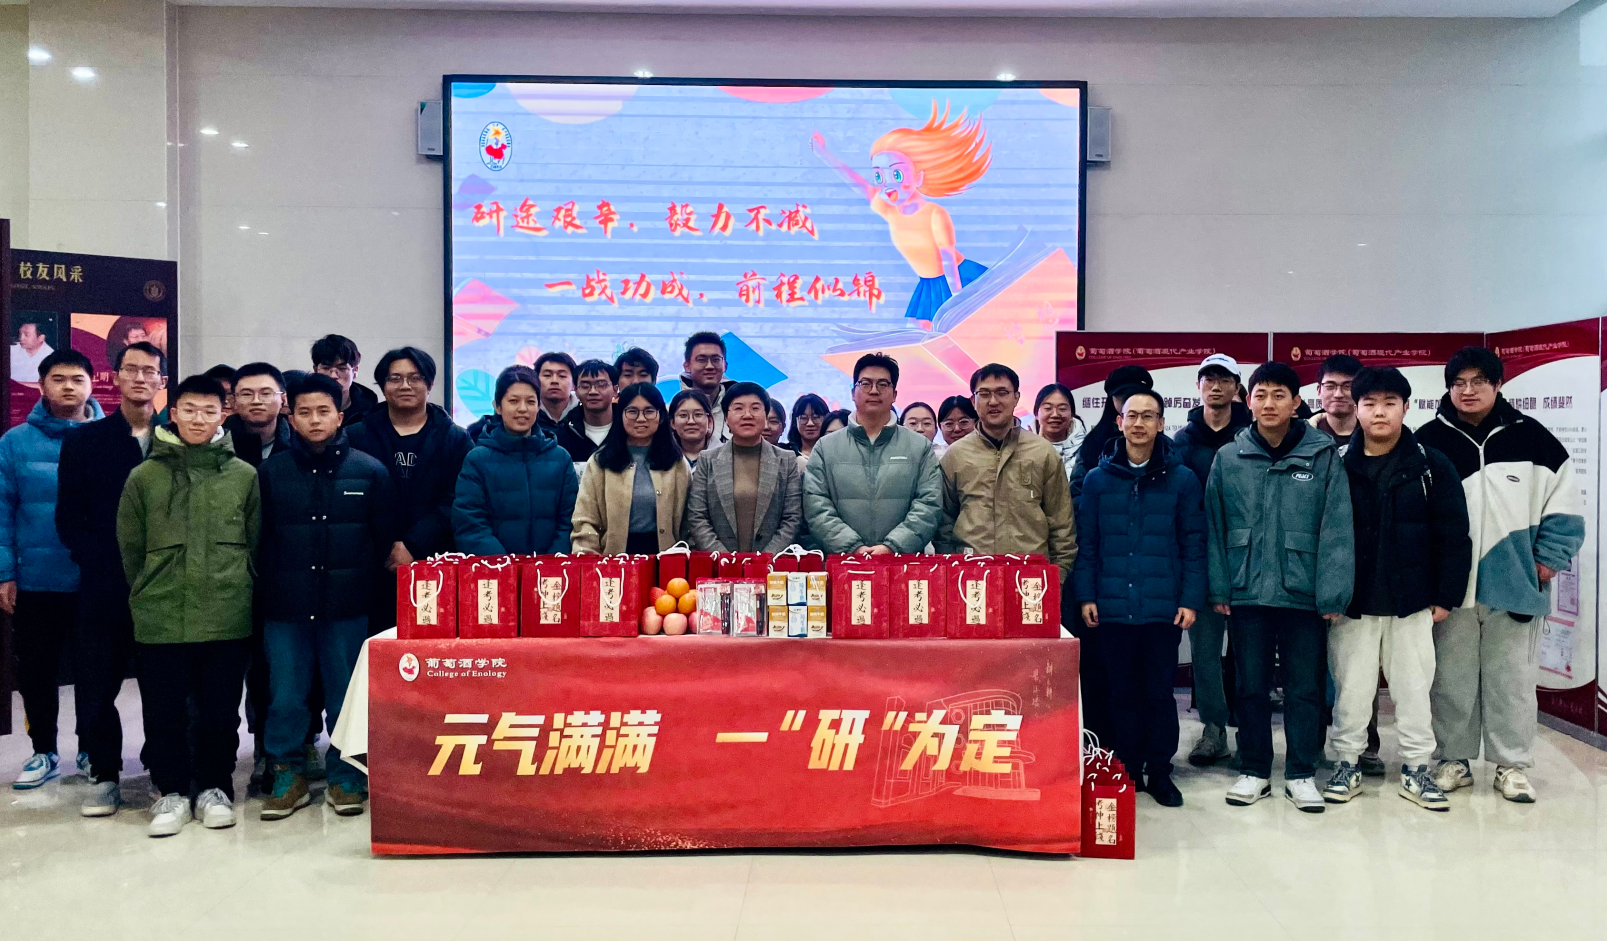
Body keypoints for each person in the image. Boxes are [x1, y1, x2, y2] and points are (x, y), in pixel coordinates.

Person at [1417, 346, 1584, 803]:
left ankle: (1511, 765)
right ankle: (1453, 759)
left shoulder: (1534, 439)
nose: (1467, 391)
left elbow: (1565, 507)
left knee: (1513, 682)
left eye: (1478, 381)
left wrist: (1547, 560)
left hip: (1514, 585)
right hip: (1450, 590)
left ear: (1498, 384)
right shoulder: (1427, 441)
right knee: (1449, 681)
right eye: (1459, 383)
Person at [1319, 367, 1469, 812]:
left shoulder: (1431, 464)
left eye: (1389, 403)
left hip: (1413, 601)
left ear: (1406, 407)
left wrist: (1446, 595)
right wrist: (1328, 594)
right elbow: (1322, 535)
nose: (1379, 412)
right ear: (1357, 408)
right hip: (1353, 603)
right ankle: (1347, 764)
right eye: (1370, 403)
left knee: (1414, 689)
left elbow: (1454, 534)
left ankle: (1417, 768)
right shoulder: (1336, 464)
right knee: (1351, 690)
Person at [1205, 361, 1352, 813]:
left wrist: (1332, 592)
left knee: (1304, 688)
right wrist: (1219, 588)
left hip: (1302, 592)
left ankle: (1301, 773)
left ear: (1296, 402)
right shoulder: (1229, 456)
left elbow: (1337, 527)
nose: (1269, 403)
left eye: (1279, 395)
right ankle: (1254, 769)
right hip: (1247, 590)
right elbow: (1214, 525)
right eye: (1260, 395)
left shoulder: (1322, 455)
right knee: (1250, 686)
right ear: (1247, 401)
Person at [118, 374, 260, 837]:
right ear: (174, 413)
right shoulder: (144, 476)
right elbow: (131, 548)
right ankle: (172, 791)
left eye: (209, 411)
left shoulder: (243, 476)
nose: (199, 419)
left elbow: (255, 543)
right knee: (164, 712)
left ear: (224, 415)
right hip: (161, 614)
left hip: (226, 613)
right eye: (190, 410)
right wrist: (148, 589)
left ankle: (215, 788)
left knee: (221, 711)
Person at [256, 374, 394, 821]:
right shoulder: (270, 473)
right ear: (290, 417)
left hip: (346, 608)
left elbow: (382, 540)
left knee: (345, 697)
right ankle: (287, 774)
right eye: (305, 412)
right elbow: (258, 540)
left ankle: (346, 775)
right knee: (286, 698)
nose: (314, 420)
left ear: (340, 416)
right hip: (286, 608)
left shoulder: (370, 471)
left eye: (323, 411)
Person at [1074, 388, 1205, 808]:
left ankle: (1160, 770)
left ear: (1162, 424)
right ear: (1119, 421)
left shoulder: (1182, 479)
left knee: (1159, 693)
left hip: (1162, 608)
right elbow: (1087, 543)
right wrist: (1086, 594)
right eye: (1132, 415)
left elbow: (1193, 544)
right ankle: (1128, 767)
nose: (1139, 423)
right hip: (1112, 607)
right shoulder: (1097, 480)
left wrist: (1189, 599)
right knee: (1121, 693)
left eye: (1149, 416)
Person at [56, 342, 165, 815]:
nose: (140, 378)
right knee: (97, 684)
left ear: (162, 381)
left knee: (163, 684)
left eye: (150, 371)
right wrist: (97, 559)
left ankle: (163, 769)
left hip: (165, 584)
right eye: (131, 369)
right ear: (115, 376)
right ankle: (104, 774)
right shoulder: (85, 441)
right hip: (104, 584)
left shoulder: (176, 439)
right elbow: (68, 517)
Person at [2, 349, 102, 790]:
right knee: (37, 672)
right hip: (36, 578)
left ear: (91, 384)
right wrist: (5, 572)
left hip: (94, 580)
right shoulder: (15, 442)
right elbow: (2, 511)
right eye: (58, 379)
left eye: (77, 379)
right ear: (42, 385)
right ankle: (43, 751)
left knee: (94, 671)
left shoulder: (109, 438)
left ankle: (92, 749)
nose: (68, 387)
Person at [347, 347, 473, 627]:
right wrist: (387, 547)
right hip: (370, 564)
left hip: (434, 561)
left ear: (430, 384)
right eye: (395, 378)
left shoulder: (455, 439)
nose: (405, 385)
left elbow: (458, 499)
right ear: (382, 385)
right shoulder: (355, 436)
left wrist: (413, 544)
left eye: (415, 378)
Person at [1169, 353, 1253, 767]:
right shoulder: (1181, 442)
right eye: (1208, 379)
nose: (1215, 386)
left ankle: (1251, 734)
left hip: (1247, 557)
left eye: (1224, 379)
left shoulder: (1253, 437)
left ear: (1237, 388)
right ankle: (1213, 729)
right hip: (1201, 559)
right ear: (1198, 387)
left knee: (1250, 652)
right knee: (1204, 652)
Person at [938, 363, 1075, 575]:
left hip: (1031, 576)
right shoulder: (955, 455)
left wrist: (1059, 577)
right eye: (984, 394)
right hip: (972, 577)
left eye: (1002, 392)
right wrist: (952, 573)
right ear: (973, 401)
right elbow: (944, 526)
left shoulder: (1043, 452)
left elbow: (1062, 525)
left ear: (1016, 398)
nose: (993, 401)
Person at [804, 353, 942, 555]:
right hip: (843, 562)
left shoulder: (919, 447)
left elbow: (929, 505)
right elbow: (816, 506)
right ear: (853, 392)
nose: (874, 391)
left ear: (894, 394)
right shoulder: (826, 447)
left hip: (903, 563)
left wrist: (892, 547)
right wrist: (852, 547)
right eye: (866, 384)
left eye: (883, 384)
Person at [453, 366, 579, 556]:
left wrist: (550, 563)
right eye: (513, 401)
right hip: (495, 568)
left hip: (551, 568)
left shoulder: (560, 458)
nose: (522, 409)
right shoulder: (477, 459)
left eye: (530, 401)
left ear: (538, 406)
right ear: (498, 406)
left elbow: (569, 520)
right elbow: (470, 524)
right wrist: (505, 565)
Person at [684, 382, 802, 553]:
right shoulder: (707, 460)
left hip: (771, 564)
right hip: (720, 563)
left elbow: (792, 518)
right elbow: (697, 517)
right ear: (726, 418)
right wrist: (726, 559)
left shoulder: (787, 460)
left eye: (755, 408)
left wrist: (764, 559)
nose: (747, 415)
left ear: (766, 416)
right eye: (738, 408)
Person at [572, 383, 690, 554]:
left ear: (661, 417)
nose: (641, 419)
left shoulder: (676, 462)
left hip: (666, 557)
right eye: (632, 411)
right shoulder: (600, 462)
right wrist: (589, 560)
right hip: (612, 558)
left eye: (649, 411)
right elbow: (585, 519)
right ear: (620, 415)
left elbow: (689, 521)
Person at [1072, 365, 1154, 500]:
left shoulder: (1162, 444)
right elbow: (1077, 493)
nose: (1130, 404)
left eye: (1136, 396)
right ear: (1112, 399)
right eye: (1124, 397)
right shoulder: (1094, 442)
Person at [225, 362, 292, 468]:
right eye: (246, 394)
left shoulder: (300, 444)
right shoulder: (218, 443)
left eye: (266, 393)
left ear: (283, 400)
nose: (256, 401)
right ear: (233, 401)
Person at [555, 359, 618, 465]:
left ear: (615, 390)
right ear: (575, 390)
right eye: (585, 386)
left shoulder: (628, 430)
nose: (593, 391)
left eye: (601, 384)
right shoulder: (561, 436)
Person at [311, 334, 380, 427]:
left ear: (355, 371)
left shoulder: (370, 409)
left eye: (342, 368)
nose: (333, 376)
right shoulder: (300, 403)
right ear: (315, 370)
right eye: (326, 368)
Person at [681, 332, 736, 441]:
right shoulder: (672, 412)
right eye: (701, 360)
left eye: (716, 359)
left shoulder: (740, 413)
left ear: (725, 366)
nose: (709, 366)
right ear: (687, 366)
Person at [1033, 383, 1087, 480]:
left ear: (1072, 414)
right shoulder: (1022, 448)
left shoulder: (1088, 448)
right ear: (1036, 414)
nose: (1055, 414)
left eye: (1062, 409)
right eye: (1048, 408)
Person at [1310, 354, 1361, 441]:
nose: (1338, 394)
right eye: (1330, 386)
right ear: (1319, 390)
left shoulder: (1375, 435)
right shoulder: (1302, 436)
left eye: (1347, 386)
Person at [669, 389, 716, 470]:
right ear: (672, 422)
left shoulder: (726, 456)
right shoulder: (661, 459)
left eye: (698, 414)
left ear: (709, 421)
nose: (691, 421)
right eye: (683, 415)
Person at [533, 351, 579, 435]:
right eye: (547, 375)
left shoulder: (585, 411)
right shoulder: (528, 411)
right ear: (536, 381)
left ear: (574, 383)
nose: (554, 381)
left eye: (562, 376)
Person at [787, 393, 831, 460]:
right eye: (803, 418)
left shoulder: (834, 452)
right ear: (795, 421)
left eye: (816, 417)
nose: (810, 423)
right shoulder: (786, 454)